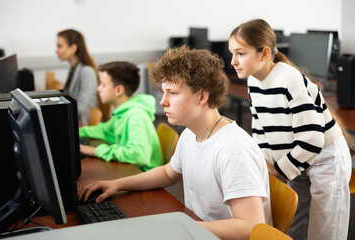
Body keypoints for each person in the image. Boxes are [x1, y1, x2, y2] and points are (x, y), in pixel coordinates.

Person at [79, 46, 272, 240]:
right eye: (164, 92)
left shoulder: (233, 150)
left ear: (202, 96)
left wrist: (180, 227)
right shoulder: (191, 133)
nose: (162, 102)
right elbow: (168, 172)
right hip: (197, 230)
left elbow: (250, 227)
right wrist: (116, 184)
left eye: (172, 93)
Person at [229, 19, 352, 240]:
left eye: (240, 54)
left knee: (324, 233)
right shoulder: (253, 82)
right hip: (296, 156)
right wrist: (264, 163)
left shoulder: (288, 78)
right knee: (296, 229)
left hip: (325, 158)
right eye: (232, 54)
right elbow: (260, 130)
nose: (233, 61)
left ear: (264, 53)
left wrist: (278, 169)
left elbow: (313, 138)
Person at [78, 61, 164, 172]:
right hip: (131, 171)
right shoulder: (121, 113)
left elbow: (137, 155)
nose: (98, 89)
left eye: (103, 85)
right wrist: (76, 132)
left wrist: (96, 151)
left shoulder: (136, 116)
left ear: (119, 90)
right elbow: (104, 130)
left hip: (145, 178)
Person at [56, 29, 98, 125]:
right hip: (73, 119)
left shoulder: (87, 71)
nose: (56, 50)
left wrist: (58, 112)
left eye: (60, 46)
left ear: (73, 48)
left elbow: (82, 107)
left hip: (82, 124)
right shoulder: (73, 69)